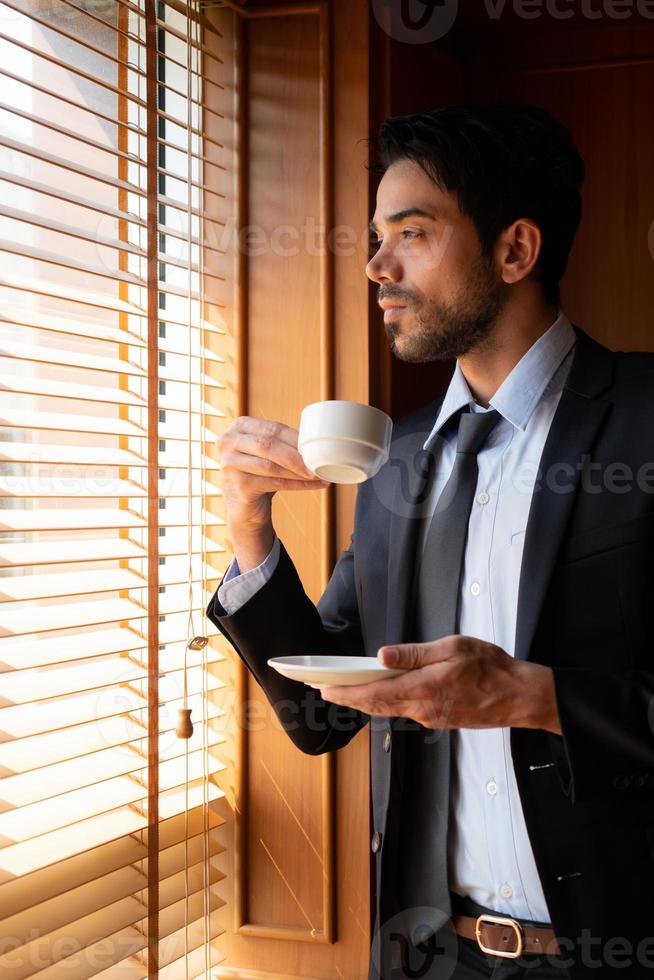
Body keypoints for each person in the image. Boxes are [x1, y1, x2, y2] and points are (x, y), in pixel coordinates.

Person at [207, 104, 654, 979]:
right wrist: (249, 530)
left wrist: (540, 698)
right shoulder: (399, 456)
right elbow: (324, 711)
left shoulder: (643, 420)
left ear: (515, 251)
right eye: (378, 237)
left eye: (410, 233)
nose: (376, 267)